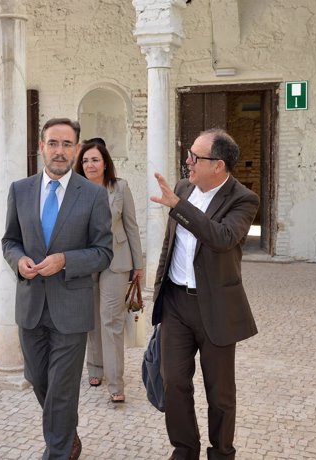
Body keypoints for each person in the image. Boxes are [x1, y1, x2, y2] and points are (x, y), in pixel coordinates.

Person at [2, 118, 113, 459]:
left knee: (63, 389)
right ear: (41, 146)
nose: (60, 151)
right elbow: (9, 240)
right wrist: (18, 260)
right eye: (53, 143)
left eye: (67, 144)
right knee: (39, 380)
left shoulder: (93, 194)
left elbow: (104, 251)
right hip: (31, 304)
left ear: (77, 149)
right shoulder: (20, 190)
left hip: (71, 307)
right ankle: (68, 435)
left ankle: (59, 451)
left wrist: (65, 260)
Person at [150, 128, 259, 459]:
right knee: (175, 384)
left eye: (196, 157)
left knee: (220, 393)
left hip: (216, 307)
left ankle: (222, 453)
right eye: (189, 154)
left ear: (219, 166)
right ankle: (184, 450)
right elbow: (170, 245)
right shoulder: (183, 188)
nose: (188, 161)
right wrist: (158, 292)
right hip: (177, 305)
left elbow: (222, 237)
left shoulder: (243, 199)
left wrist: (179, 207)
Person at [74, 141, 143, 403]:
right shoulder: (75, 190)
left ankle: (116, 383)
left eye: (94, 160)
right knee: (92, 317)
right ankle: (95, 368)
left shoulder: (120, 187)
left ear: (105, 163)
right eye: (85, 161)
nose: (90, 165)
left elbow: (132, 227)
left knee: (110, 320)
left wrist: (138, 265)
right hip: (87, 260)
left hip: (116, 261)